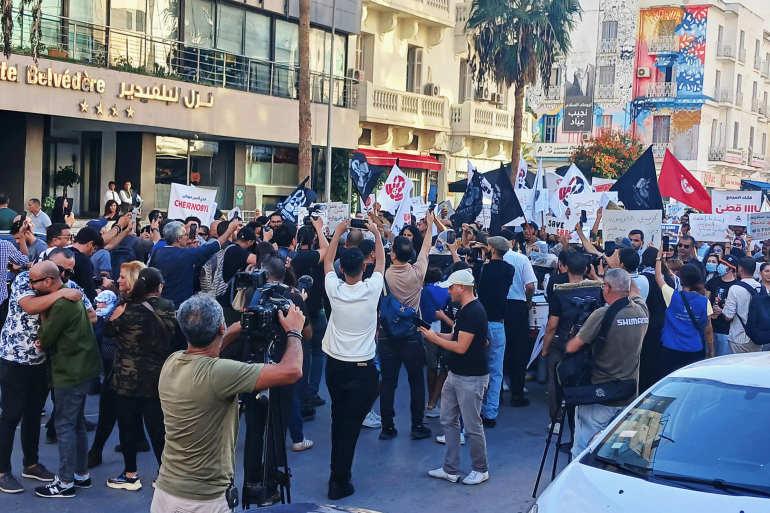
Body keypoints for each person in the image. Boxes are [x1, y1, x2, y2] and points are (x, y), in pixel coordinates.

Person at [151, 294, 304, 513]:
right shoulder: (219, 373)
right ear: (221, 328)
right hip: (203, 501)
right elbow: (292, 370)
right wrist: (294, 331)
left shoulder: (172, 361)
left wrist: (240, 326)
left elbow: (206, 349)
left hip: (165, 491)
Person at [0, 263, 85, 494]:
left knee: (33, 413)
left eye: (67, 272)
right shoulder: (26, 279)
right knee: (10, 415)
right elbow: (29, 306)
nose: (66, 276)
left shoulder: (63, 286)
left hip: (41, 362)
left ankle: (31, 464)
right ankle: (2, 471)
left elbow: (90, 313)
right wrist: (60, 294)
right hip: (14, 358)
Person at [241, 255, 312, 506]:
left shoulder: (253, 295)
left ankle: (250, 483)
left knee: (254, 429)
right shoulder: (291, 298)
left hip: (252, 369)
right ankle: (270, 486)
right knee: (275, 430)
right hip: (281, 370)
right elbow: (308, 333)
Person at [322, 218, 384, 500]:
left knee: (339, 421)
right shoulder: (371, 290)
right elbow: (382, 263)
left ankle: (338, 474)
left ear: (342, 269)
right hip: (362, 371)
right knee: (348, 427)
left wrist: (336, 232)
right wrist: (376, 234)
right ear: (364, 267)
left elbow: (326, 263)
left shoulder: (334, 289)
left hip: (335, 368)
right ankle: (339, 479)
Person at [32, 261, 102, 498]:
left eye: (34, 282)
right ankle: (80, 475)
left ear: (48, 281)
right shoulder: (72, 296)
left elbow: (45, 336)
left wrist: (42, 311)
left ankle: (64, 483)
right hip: (83, 368)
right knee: (77, 424)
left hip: (69, 371)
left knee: (64, 425)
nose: (31, 286)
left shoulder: (62, 303)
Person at [103, 268, 175, 491]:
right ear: (159, 287)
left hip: (126, 378)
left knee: (127, 427)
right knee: (158, 428)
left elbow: (107, 332)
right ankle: (165, 474)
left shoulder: (126, 308)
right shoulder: (167, 306)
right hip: (156, 377)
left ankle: (130, 474)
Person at [566, 269, 649, 458]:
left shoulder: (601, 314)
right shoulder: (642, 310)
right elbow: (635, 292)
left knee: (584, 449)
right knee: (616, 451)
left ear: (606, 288)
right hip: (628, 394)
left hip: (600, 395)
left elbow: (572, 347)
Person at [419, 270, 490, 486]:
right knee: (448, 420)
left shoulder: (473, 312)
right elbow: (456, 337)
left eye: (451, 287)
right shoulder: (464, 310)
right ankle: (450, 468)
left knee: (472, 425)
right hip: (456, 374)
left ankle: (481, 468)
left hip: (471, 377)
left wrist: (434, 338)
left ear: (462, 287)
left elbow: (460, 346)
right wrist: (435, 334)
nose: (448, 291)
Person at [88, 261, 149, 468]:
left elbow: (111, 331)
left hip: (122, 364)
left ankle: (97, 451)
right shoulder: (127, 299)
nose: (118, 279)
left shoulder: (128, 304)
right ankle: (138, 440)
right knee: (133, 408)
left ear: (133, 280)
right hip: (128, 364)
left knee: (109, 408)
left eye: (123, 277)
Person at [380, 212, 435, 441]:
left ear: (392, 254)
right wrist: (430, 225)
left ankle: (387, 427)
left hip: (387, 334)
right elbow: (426, 249)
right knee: (416, 380)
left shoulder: (383, 274)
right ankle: (417, 424)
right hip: (412, 334)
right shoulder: (418, 273)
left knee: (388, 382)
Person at [541, 251, 603, 436]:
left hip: (562, 343)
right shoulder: (597, 289)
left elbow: (552, 325)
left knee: (556, 381)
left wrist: (544, 349)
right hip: (588, 344)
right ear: (586, 269)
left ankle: (557, 420)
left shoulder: (560, 292)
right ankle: (582, 421)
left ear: (565, 267)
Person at [472, 236, 515, 428]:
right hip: (498, 323)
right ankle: (491, 412)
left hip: (480, 322)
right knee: (496, 370)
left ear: (491, 248)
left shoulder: (481, 268)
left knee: (476, 367)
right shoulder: (509, 270)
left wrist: (482, 255)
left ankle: (475, 408)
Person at [150, 219, 241, 308]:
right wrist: (229, 230)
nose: (187, 236)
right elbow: (216, 245)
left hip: (162, 305)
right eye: (185, 234)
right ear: (179, 238)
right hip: (181, 306)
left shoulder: (157, 252)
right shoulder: (187, 254)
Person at [290, 217, 330, 409]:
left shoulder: (294, 258)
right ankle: (310, 394)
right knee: (317, 353)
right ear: (313, 240)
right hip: (315, 310)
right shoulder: (311, 257)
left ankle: (302, 393)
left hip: (300, 312)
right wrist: (319, 229)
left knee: (304, 353)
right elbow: (327, 250)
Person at [655, 252, 714, 379]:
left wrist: (659, 258)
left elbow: (658, 278)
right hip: (694, 349)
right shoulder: (705, 302)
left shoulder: (672, 296)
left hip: (671, 348)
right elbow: (708, 329)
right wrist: (711, 350)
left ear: (681, 280)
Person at [502, 236, 537, 407]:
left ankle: (497, 393)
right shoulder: (521, 259)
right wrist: (528, 301)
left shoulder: (488, 261)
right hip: (517, 307)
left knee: (499, 350)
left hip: (498, 307)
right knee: (519, 351)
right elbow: (530, 286)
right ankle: (517, 393)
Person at [722, 257, 762, 353]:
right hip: (758, 337)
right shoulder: (761, 288)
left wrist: (724, 307)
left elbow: (728, 316)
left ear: (740, 268)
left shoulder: (735, 289)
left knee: (738, 367)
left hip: (739, 337)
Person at [705, 254, 738, 357]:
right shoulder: (713, 281)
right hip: (710, 326)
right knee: (708, 358)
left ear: (732, 269)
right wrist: (711, 312)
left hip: (726, 330)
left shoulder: (736, 286)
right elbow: (705, 300)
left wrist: (723, 310)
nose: (721, 266)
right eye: (722, 263)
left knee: (723, 359)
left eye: (725, 264)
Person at [70, 227, 104, 303]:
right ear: (90, 243)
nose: (93, 252)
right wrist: (101, 289)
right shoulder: (84, 260)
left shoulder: (61, 253)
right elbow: (90, 293)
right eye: (94, 248)